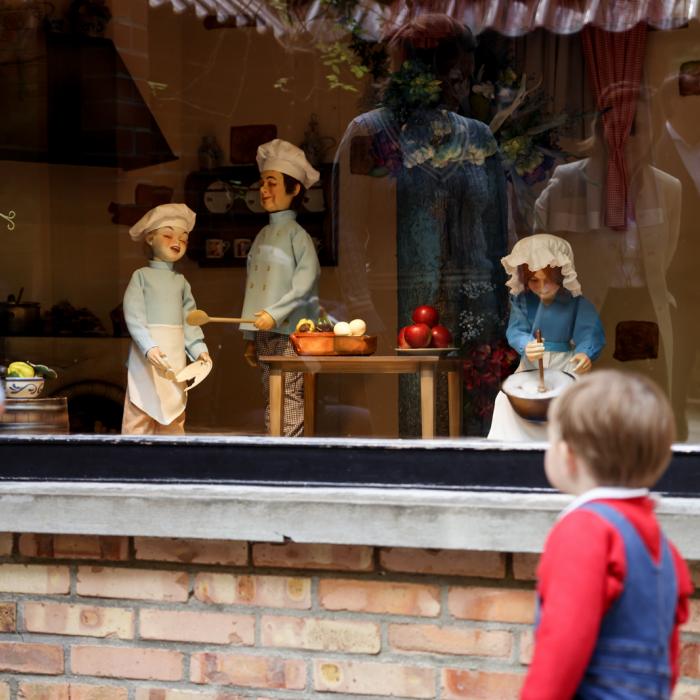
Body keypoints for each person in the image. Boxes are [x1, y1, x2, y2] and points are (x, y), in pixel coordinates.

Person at [334, 13, 509, 436]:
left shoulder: (480, 138)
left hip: (476, 315)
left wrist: (506, 314)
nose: (460, 87)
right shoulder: (369, 133)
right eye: (451, 76)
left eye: (465, 77)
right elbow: (348, 232)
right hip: (396, 313)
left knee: (476, 429)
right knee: (406, 430)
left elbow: (500, 233)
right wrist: (362, 309)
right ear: (416, 74)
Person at [521, 370, 693, 699]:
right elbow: (666, 652)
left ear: (567, 456)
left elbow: (563, 642)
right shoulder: (659, 542)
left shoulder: (584, 530)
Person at [488, 234, 605, 441]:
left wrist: (585, 354)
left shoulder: (576, 303)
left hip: (566, 365)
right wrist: (527, 344)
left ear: (562, 276)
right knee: (506, 401)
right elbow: (515, 330)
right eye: (534, 280)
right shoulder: (522, 302)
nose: (542, 287)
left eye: (548, 280)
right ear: (524, 277)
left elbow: (589, 331)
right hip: (531, 365)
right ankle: (512, 448)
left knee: (571, 403)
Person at [239, 139, 321, 437]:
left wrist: (274, 314)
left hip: (291, 331)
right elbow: (253, 288)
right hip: (264, 329)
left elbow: (305, 283)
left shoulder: (298, 236)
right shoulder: (262, 235)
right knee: (271, 393)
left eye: (272, 183)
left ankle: (289, 450)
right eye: (262, 183)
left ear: (294, 188)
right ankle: (274, 446)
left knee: (288, 394)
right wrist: (251, 335)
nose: (264, 190)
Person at [122, 203, 211, 434]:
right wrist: (149, 347)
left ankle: (173, 463)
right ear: (150, 239)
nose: (176, 242)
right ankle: (133, 465)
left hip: (175, 358)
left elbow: (189, 321)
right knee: (139, 414)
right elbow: (134, 317)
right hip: (147, 359)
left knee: (173, 416)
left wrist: (199, 349)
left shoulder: (181, 282)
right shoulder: (140, 277)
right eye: (168, 235)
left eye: (183, 238)